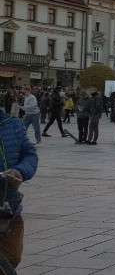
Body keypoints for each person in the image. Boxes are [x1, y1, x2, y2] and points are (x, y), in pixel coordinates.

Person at [0, 108, 38, 269]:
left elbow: (30, 154)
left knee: (11, 259)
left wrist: (20, 171)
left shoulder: (13, 124)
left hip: (8, 211)